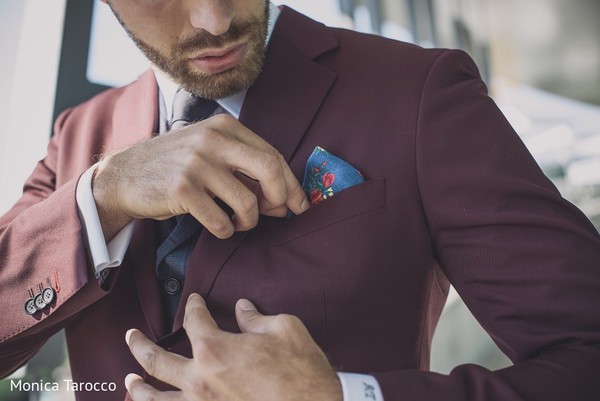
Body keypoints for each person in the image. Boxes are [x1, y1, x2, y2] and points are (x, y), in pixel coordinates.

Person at [1, 0, 600, 400]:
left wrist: (349, 397)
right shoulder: (76, 135)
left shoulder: (419, 92)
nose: (213, 19)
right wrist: (104, 194)